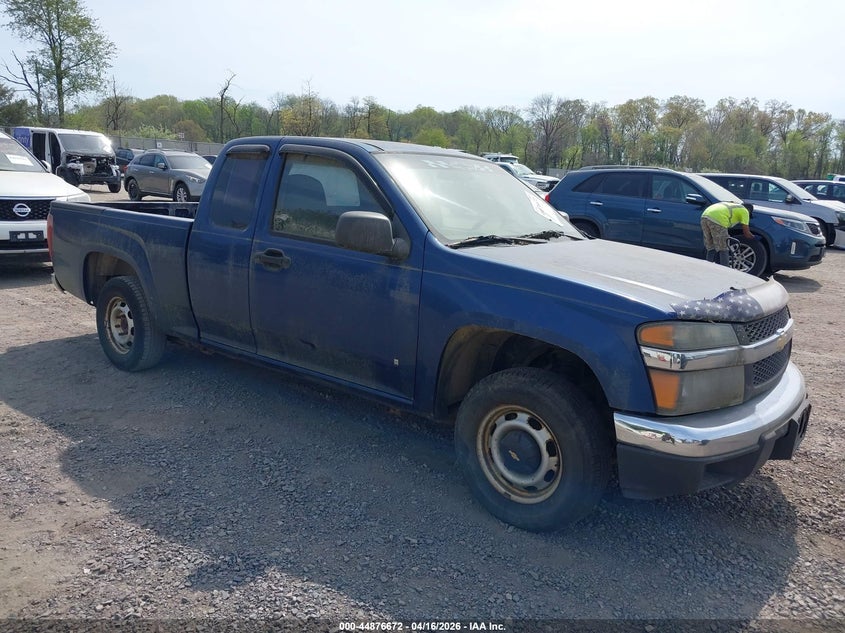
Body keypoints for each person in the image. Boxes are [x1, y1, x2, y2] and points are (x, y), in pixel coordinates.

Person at [700, 201, 754, 266]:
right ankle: (725, 269)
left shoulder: (733, 205)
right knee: (724, 247)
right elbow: (746, 233)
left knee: (711, 246)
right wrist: (754, 238)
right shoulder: (745, 211)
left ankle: (707, 265)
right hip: (718, 219)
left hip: (704, 216)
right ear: (749, 211)